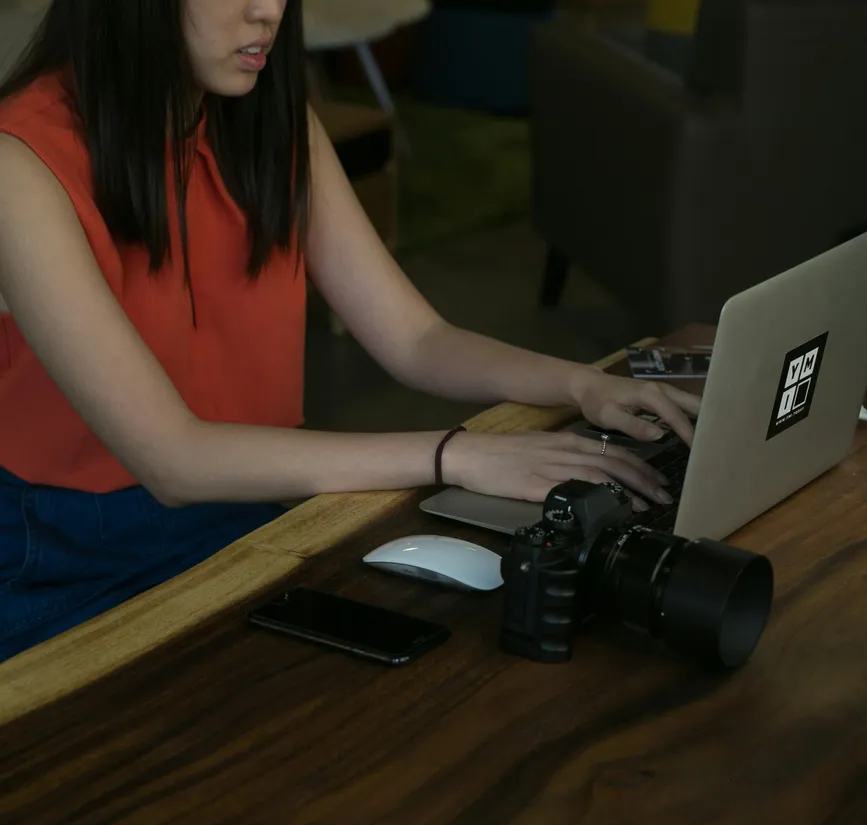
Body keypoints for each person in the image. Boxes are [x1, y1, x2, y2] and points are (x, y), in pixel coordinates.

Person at [0, 0, 699, 662]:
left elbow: (416, 339)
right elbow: (174, 460)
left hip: (243, 510)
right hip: (65, 553)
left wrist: (581, 384)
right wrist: (459, 454)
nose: (268, 11)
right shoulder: (20, 164)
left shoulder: (269, 121)